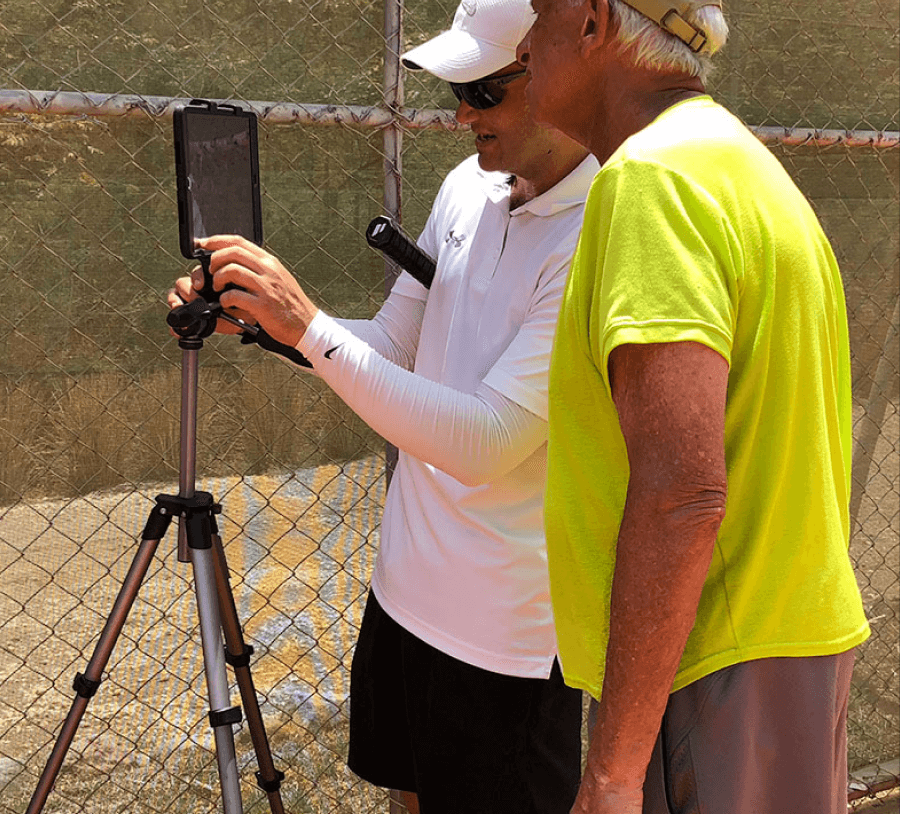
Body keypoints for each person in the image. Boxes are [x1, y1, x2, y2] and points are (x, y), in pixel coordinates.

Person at [170, 2, 600, 811]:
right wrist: (268, 322)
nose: (460, 115)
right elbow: (397, 342)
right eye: (454, 91)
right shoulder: (467, 186)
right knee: (406, 796)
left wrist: (310, 328)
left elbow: (489, 440)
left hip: (506, 630)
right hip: (406, 589)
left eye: (483, 91)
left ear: (557, 72)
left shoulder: (601, 230)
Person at [514, 1, 872, 813]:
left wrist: (611, 773)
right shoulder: (739, 164)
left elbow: (681, 493)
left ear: (596, 22)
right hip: (779, 647)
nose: (525, 40)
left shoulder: (652, 182)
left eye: (539, 13)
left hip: (712, 668)